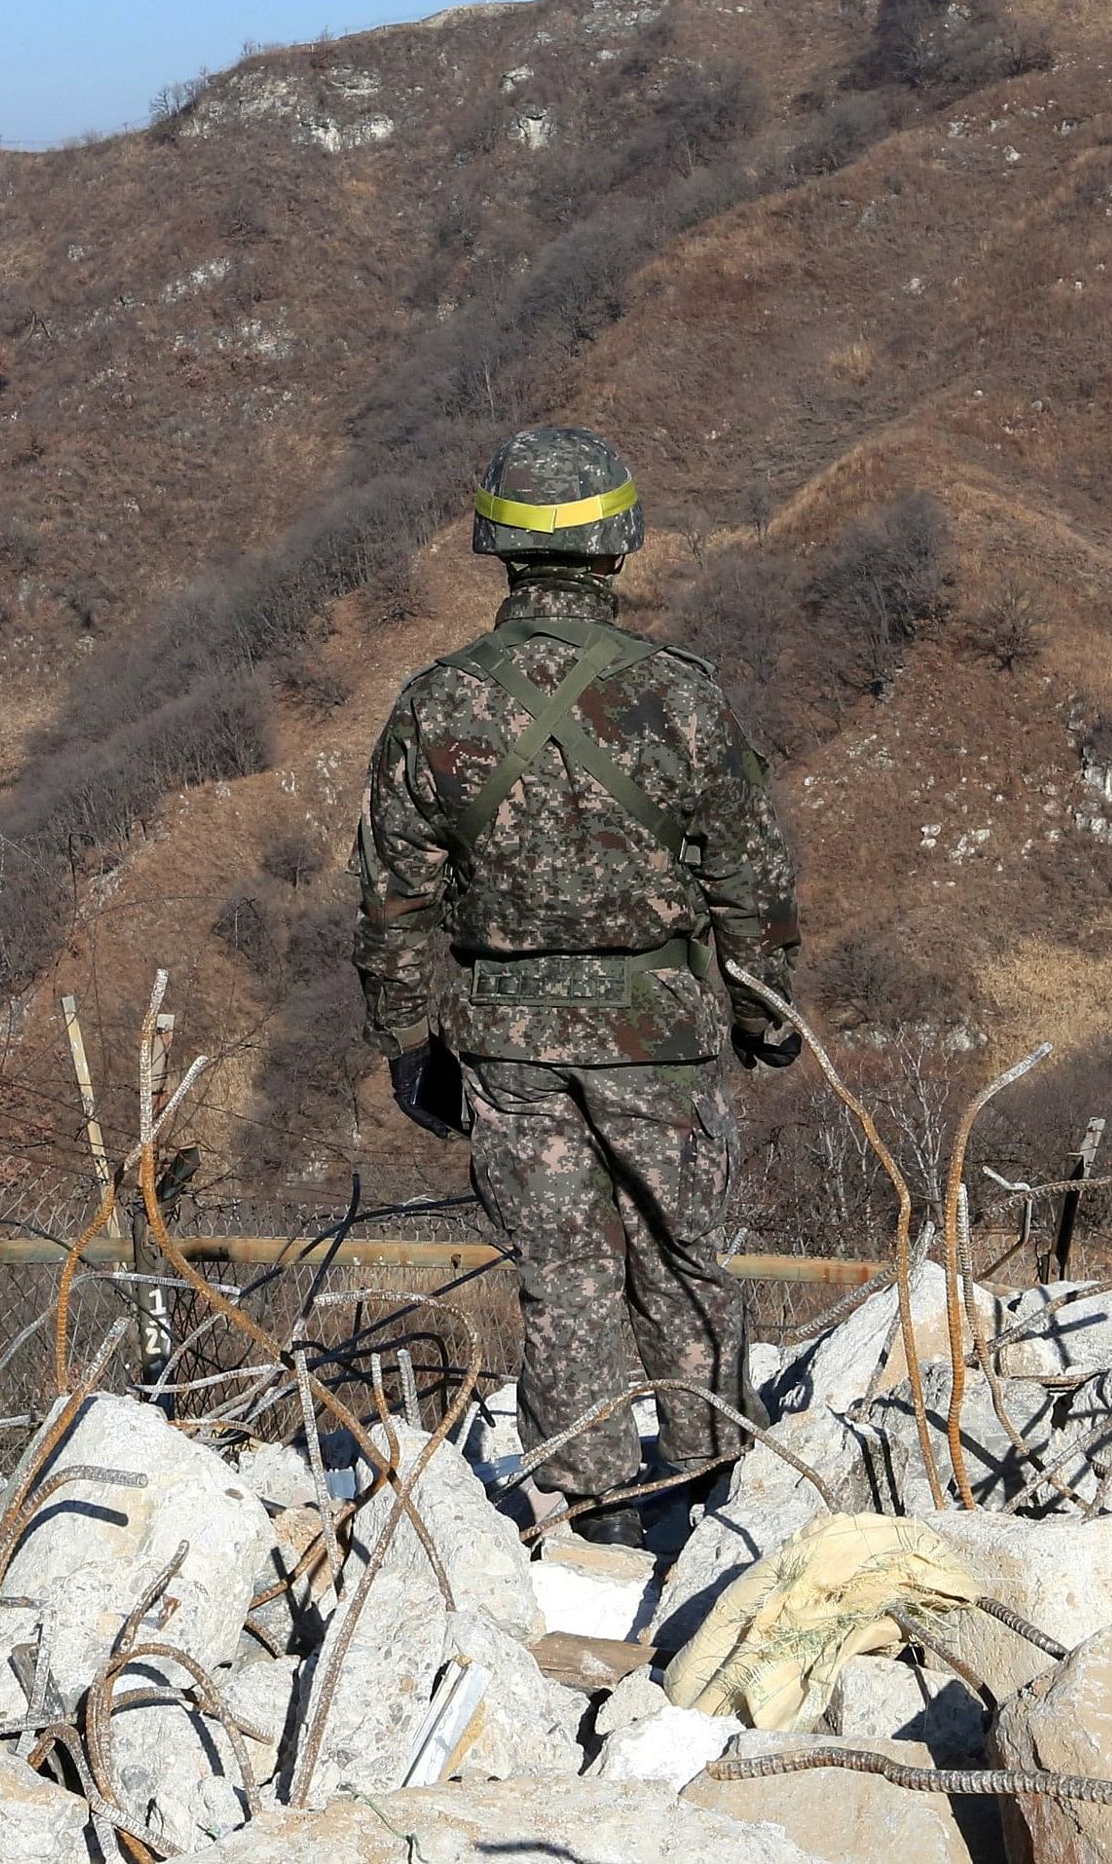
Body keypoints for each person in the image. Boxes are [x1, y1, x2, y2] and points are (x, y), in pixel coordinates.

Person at [351, 426, 802, 1541]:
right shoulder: (679, 696)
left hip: (509, 1039)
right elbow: (746, 873)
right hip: (659, 1030)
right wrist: (762, 1010)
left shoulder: (436, 704)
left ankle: (595, 1502)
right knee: (679, 1251)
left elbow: (396, 900)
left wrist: (408, 1042)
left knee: (560, 1269)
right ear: (620, 541)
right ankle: (711, 1482)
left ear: (497, 544)